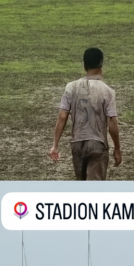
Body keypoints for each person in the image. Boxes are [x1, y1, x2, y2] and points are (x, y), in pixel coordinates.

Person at [50, 48, 121, 180]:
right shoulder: (107, 91)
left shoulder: (71, 87)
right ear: (101, 65)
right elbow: (112, 122)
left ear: (84, 65)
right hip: (97, 144)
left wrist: (55, 145)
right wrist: (117, 148)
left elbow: (62, 116)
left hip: (77, 144)